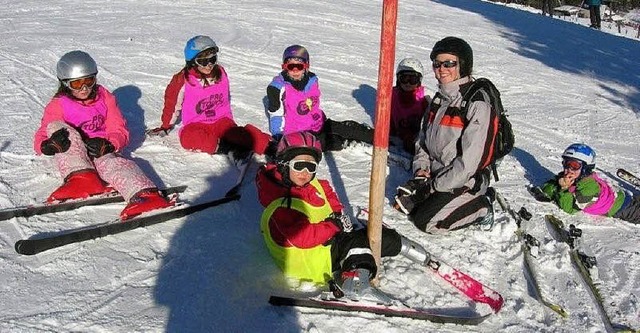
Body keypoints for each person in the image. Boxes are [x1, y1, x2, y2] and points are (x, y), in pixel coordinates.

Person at [256, 131, 429, 301]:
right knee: (356, 243)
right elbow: (301, 237)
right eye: (299, 165)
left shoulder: (313, 185)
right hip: (312, 264)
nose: (305, 172)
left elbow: (330, 200)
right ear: (284, 164)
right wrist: (334, 225)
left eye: (311, 167)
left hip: (326, 245)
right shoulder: (280, 206)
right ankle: (355, 285)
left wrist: (339, 217)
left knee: (372, 233)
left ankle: (414, 251)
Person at [34, 50, 173, 220]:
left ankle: (144, 195)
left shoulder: (104, 97)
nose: (85, 88)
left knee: (115, 163)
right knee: (56, 127)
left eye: (89, 81)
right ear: (64, 84)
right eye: (77, 84)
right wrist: (46, 145)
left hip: (97, 149)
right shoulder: (59, 105)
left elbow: (119, 128)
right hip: (73, 152)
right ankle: (81, 177)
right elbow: (42, 132)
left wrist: (110, 144)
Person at [394, 37, 495, 234]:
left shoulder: (477, 103)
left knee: (426, 222)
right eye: (437, 64)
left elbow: (468, 164)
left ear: (463, 65)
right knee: (407, 206)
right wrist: (421, 170)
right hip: (436, 175)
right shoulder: (440, 99)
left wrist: (431, 187)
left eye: (449, 63)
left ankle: (482, 206)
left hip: (465, 179)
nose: (442, 69)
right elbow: (422, 141)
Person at [147, 35, 274, 161]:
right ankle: (226, 148)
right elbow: (172, 103)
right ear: (191, 62)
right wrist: (165, 126)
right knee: (187, 138)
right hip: (196, 124)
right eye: (203, 61)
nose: (209, 65)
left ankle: (271, 148)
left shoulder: (221, 73)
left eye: (212, 59)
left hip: (221, 121)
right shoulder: (183, 80)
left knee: (239, 134)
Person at [266, 45, 373, 151]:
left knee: (350, 129)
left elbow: (313, 105)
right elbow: (276, 114)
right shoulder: (277, 88)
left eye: (299, 66)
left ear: (306, 66)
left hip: (318, 123)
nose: (295, 71)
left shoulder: (312, 80)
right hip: (298, 133)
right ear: (284, 67)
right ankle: (348, 143)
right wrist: (279, 137)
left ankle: (378, 137)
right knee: (327, 143)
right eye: (290, 67)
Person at [539, 144, 639, 224]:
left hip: (624, 209)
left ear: (585, 168)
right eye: (566, 163)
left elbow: (569, 208)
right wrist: (550, 189)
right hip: (622, 197)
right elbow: (552, 184)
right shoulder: (576, 177)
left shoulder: (587, 190)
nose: (569, 169)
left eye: (574, 165)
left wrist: (564, 188)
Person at [390, 58, 429, 155]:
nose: (408, 83)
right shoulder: (391, 96)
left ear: (419, 81)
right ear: (398, 79)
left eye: (413, 80)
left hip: (418, 138)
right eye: (404, 79)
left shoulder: (424, 98)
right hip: (398, 137)